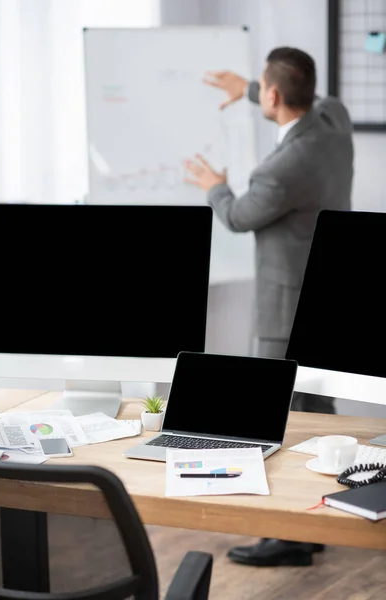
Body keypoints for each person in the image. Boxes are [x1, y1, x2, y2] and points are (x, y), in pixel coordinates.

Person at [185, 47, 354, 567]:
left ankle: (289, 536)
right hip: (330, 289)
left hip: (287, 305)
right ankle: (316, 521)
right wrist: (250, 88)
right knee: (316, 413)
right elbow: (310, 98)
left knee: (285, 421)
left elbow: (238, 216)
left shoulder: (281, 168)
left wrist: (215, 187)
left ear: (277, 95)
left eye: (263, 86)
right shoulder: (335, 119)